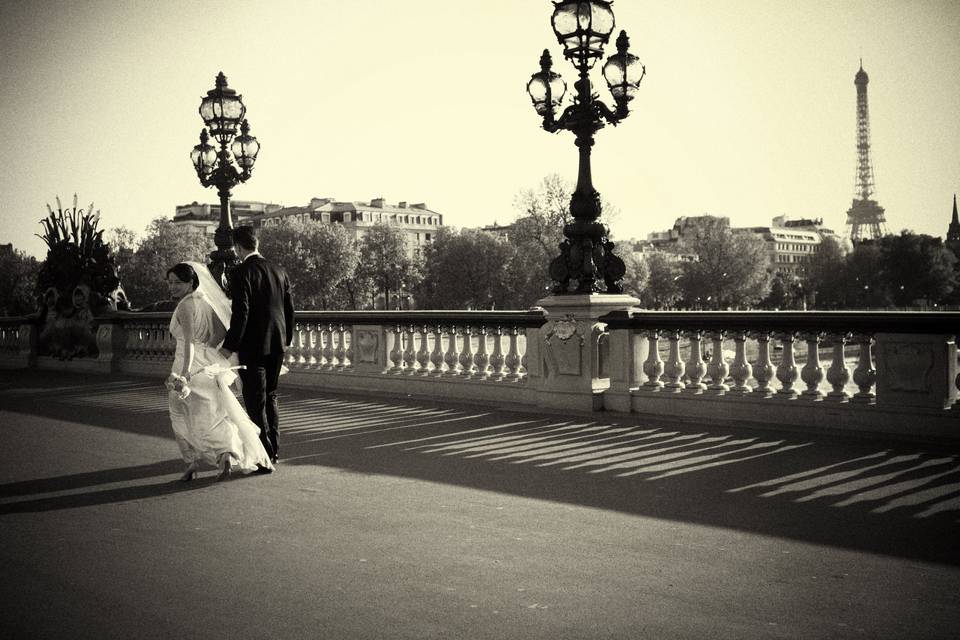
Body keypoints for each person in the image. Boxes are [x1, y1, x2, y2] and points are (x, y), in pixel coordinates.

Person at [165, 262, 274, 481]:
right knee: (213, 414)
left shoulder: (186, 305)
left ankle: (192, 461)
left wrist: (185, 373)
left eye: (178, 282)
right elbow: (221, 331)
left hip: (187, 364)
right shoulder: (206, 301)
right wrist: (207, 351)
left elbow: (188, 342)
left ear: (191, 282)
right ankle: (225, 454)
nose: (173, 287)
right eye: (170, 282)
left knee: (179, 413)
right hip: (207, 364)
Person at [219, 226, 294, 466]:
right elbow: (289, 310)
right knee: (271, 396)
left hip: (253, 346)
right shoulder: (279, 271)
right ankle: (275, 450)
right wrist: (286, 338)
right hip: (277, 343)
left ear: (238, 247)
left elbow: (241, 313)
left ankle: (264, 454)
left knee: (255, 400)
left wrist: (229, 346)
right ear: (256, 243)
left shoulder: (241, 272)